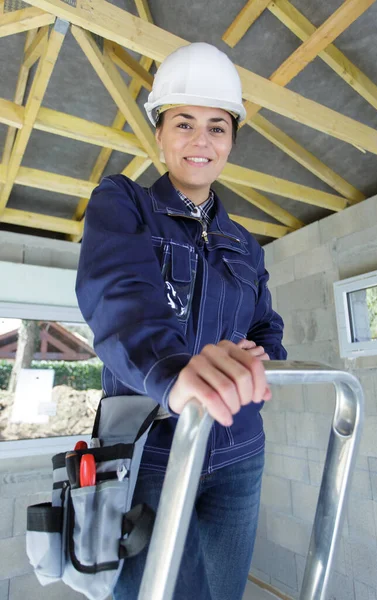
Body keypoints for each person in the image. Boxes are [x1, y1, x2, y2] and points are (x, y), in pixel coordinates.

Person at [76, 42, 287, 600]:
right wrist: (173, 370)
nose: (201, 140)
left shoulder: (245, 243)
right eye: (184, 123)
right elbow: (118, 292)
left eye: (217, 127)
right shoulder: (123, 204)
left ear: (232, 142)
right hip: (150, 451)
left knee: (221, 592)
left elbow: (268, 327)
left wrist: (263, 357)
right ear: (160, 133)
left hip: (239, 451)